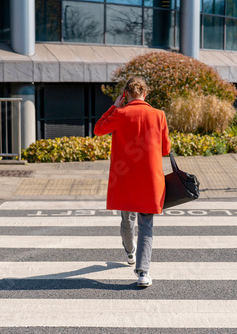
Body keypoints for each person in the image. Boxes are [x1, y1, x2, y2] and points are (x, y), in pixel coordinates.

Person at [94, 77, 171, 287]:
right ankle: (143, 272)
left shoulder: (120, 113)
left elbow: (98, 129)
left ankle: (130, 253)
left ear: (126, 95)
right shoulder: (158, 115)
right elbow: (165, 149)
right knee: (146, 226)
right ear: (145, 93)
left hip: (125, 180)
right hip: (149, 181)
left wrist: (113, 107)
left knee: (127, 221)